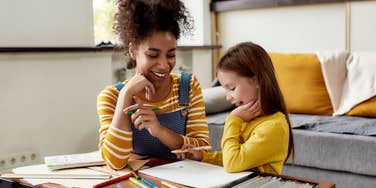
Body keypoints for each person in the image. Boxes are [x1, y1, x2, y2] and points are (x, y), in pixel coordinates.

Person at [97, 0, 210, 170]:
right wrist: (126, 95)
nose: (164, 65)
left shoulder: (188, 87)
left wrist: (159, 131)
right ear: (133, 51)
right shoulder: (112, 97)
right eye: (152, 55)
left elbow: (202, 148)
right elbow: (114, 162)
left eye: (171, 55)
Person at [177, 42, 294, 175]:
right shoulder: (248, 118)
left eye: (232, 88)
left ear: (256, 80)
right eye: (225, 90)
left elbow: (232, 163)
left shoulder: (274, 127)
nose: (228, 98)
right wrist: (203, 157)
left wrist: (233, 119)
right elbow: (234, 156)